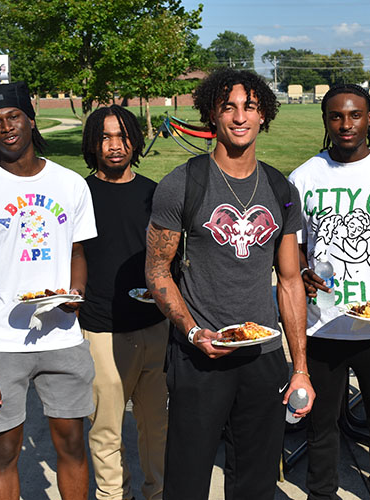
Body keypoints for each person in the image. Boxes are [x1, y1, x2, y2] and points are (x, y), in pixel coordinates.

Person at [145, 68, 315, 500]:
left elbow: (291, 282)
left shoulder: (281, 189)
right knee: (186, 480)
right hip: (200, 354)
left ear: (263, 117)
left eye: (250, 107)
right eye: (229, 108)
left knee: (257, 483)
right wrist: (193, 331)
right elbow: (157, 270)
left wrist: (300, 369)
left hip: (262, 354)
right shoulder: (182, 184)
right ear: (212, 117)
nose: (240, 117)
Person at [0, 81, 97, 499]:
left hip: (62, 336)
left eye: (13, 117)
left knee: (70, 445)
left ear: (31, 118)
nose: (6, 128)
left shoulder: (70, 185)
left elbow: (78, 253)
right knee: (5, 451)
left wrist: (76, 293)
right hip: (2, 343)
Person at [289, 83, 370, 500]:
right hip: (322, 326)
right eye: (336, 116)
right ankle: (320, 493)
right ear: (325, 120)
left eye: (355, 115)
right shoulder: (304, 177)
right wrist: (304, 272)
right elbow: (297, 249)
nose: (346, 124)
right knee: (320, 426)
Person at [80, 105, 169, 500]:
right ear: (93, 144)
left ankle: (158, 492)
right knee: (105, 429)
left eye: (122, 136)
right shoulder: (80, 194)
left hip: (155, 325)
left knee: (157, 426)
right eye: (105, 137)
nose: (115, 146)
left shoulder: (155, 194)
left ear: (134, 139)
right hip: (101, 327)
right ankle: (114, 495)